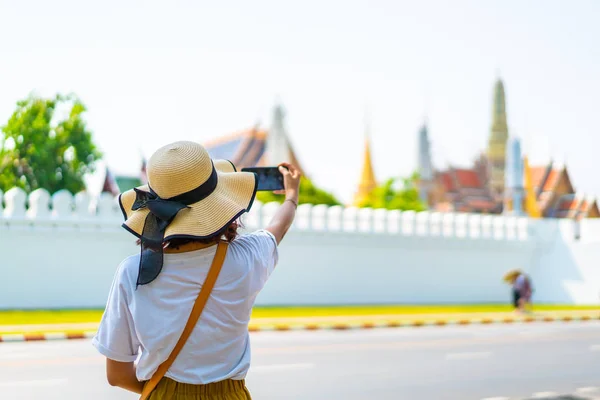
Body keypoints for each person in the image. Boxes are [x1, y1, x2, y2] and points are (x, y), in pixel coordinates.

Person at [92, 141, 301, 399]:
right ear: (221, 201)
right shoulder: (247, 258)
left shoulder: (132, 272)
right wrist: (292, 196)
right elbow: (277, 227)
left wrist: (166, 392)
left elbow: (117, 375)